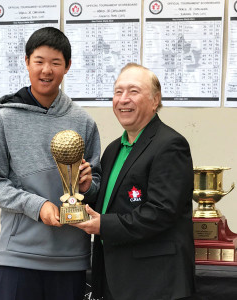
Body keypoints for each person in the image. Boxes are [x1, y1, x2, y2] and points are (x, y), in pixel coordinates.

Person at [0, 27, 101, 300]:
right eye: (39, 61)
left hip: (71, 257)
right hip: (19, 255)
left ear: (67, 66)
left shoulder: (84, 122)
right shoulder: (5, 119)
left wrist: (88, 184)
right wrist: (37, 205)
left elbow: (97, 186)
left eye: (55, 63)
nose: (47, 70)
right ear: (26, 62)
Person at [73, 63, 195, 300]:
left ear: (155, 100)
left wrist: (103, 226)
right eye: (118, 92)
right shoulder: (113, 150)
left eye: (134, 91)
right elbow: (112, 206)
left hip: (154, 284)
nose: (123, 99)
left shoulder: (170, 145)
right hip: (115, 279)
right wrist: (87, 189)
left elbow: (162, 212)